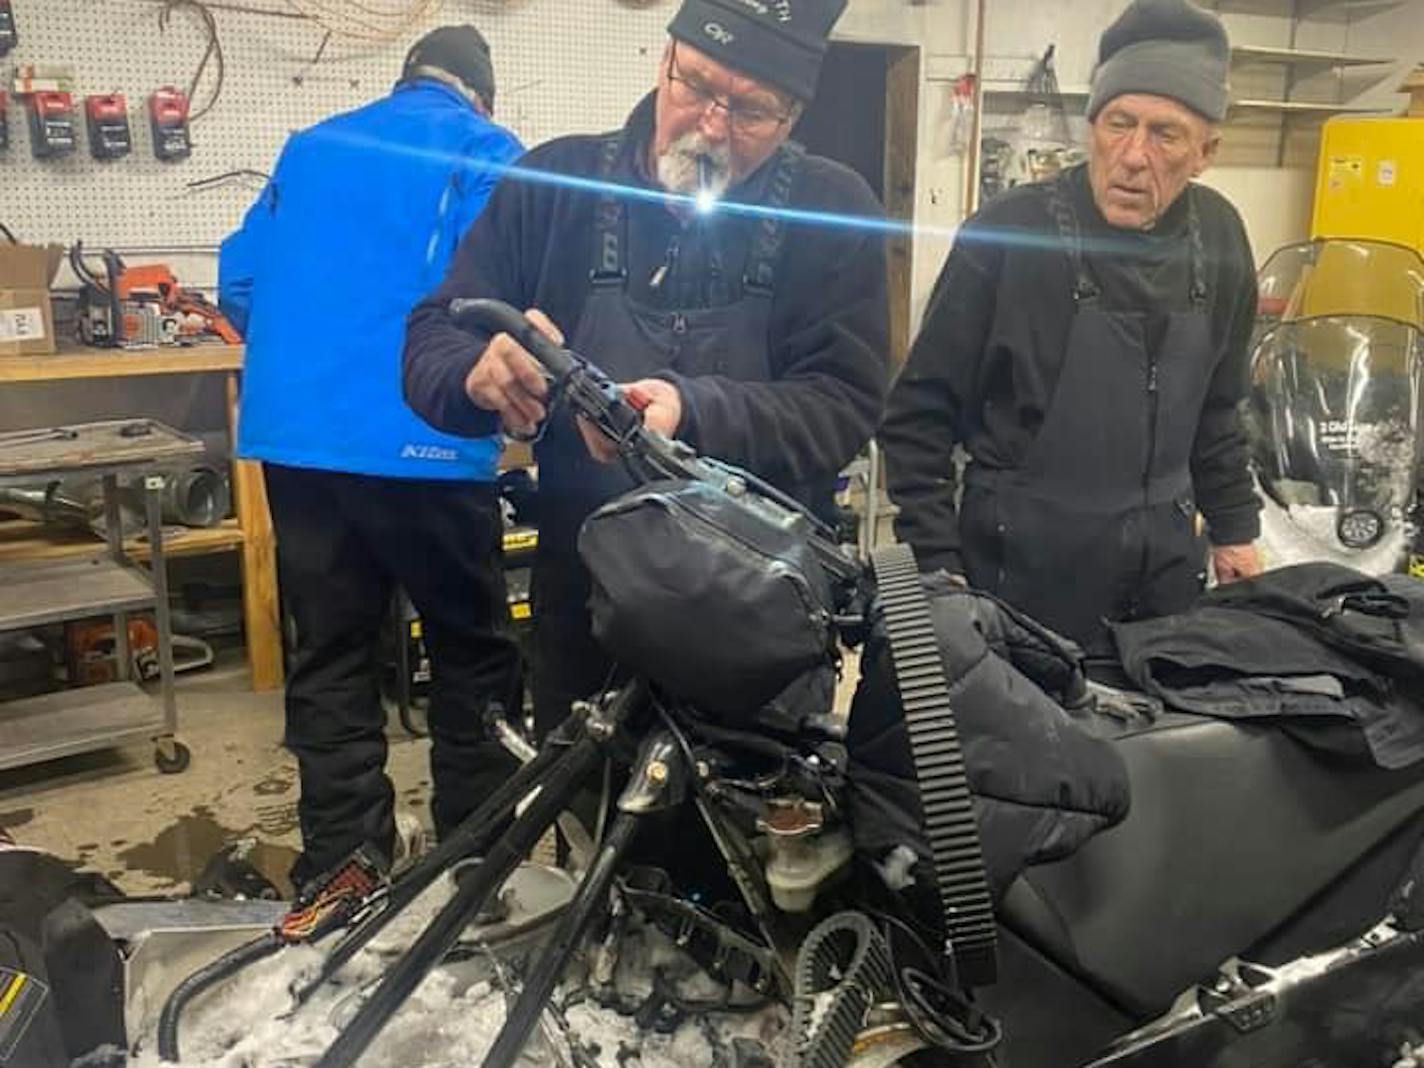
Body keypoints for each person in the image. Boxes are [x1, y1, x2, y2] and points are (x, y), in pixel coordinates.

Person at [403, 0, 889, 736]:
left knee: (761, 849)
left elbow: (843, 405)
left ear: (794, 115)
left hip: (761, 631)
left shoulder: (832, 211)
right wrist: (474, 371)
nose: (711, 126)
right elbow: (430, 336)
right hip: (589, 615)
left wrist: (691, 412)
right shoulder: (555, 185)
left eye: (752, 111)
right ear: (665, 59)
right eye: (694, 86)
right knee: (593, 836)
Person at [218, 25, 525, 889]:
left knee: (331, 651)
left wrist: (314, 369)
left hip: (300, 443)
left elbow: (237, 282)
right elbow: (508, 293)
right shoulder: (488, 150)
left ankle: (344, 864)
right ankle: (478, 862)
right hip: (423, 442)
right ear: (481, 94)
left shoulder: (311, 149)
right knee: (472, 652)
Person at [880, 0, 1263, 655]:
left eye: (1165, 134)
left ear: (1206, 152)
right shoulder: (1009, 233)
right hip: (1018, 583)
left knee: (1159, 753)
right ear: (1092, 125)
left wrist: (1234, 528)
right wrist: (938, 567)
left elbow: (1219, 407)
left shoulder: (1221, 235)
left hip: (1164, 584)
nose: (1133, 156)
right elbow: (917, 415)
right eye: (1119, 123)